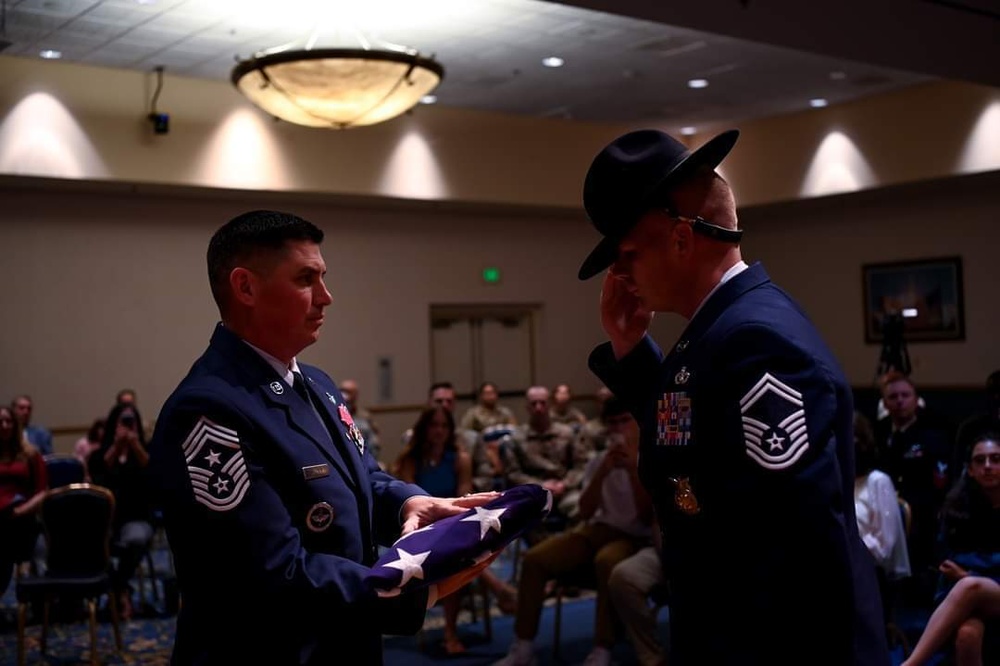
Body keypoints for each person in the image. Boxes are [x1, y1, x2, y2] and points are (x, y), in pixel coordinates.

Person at [578, 129, 890, 665]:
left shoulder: (757, 342)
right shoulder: (721, 331)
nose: (620, 273)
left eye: (628, 253)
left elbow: (796, 551)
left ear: (680, 240)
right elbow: (697, 439)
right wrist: (632, 351)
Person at [147, 210, 496, 665]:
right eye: (306, 279)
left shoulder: (316, 384)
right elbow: (273, 575)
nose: (327, 297)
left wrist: (406, 502)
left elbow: (358, 477)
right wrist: (417, 591)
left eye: (323, 277)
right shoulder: (209, 409)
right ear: (246, 287)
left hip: (342, 643)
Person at [495, 398, 653, 666]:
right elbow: (586, 510)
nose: (618, 428)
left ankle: (603, 648)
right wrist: (603, 471)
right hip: (596, 528)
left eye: (624, 421)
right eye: (612, 423)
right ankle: (523, 646)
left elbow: (645, 516)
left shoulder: (648, 460)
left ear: (637, 422)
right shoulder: (599, 460)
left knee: (607, 561)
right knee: (534, 559)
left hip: (635, 536)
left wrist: (632, 472)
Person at [902, 433, 1000, 666]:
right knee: (968, 635)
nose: (988, 466)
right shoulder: (958, 509)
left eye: (995, 459)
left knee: (970, 585)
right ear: (970, 469)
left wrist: (969, 575)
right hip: (965, 594)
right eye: (980, 460)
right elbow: (944, 560)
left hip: (980, 589)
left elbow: (966, 573)